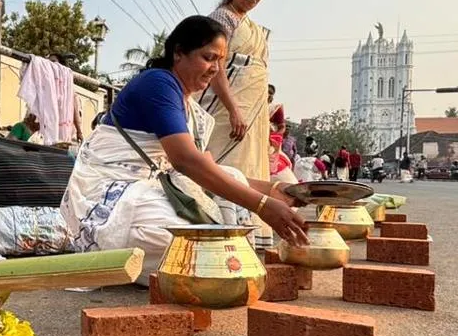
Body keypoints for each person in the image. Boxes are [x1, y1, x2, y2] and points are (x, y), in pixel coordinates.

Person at [60, 16, 308, 283]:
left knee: (231, 180)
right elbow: (186, 162)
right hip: (109, 193)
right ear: (178, 53)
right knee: (185, 244)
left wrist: (274, 190)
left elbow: (207, 169)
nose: (215, 68)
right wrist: (262, 206)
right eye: (209, 57)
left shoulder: (188, 104)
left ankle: (213, 263)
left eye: (220, 61)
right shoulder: (158, 83)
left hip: (149, 188)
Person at [197, 0, 275, 249]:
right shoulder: (222, 19)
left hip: (253, 117)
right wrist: (233, 110)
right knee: (220, 169)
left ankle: (248, 236)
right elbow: (214, 67)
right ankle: (216, 235)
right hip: (224, 113)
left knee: (249, 170)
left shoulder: (255, 29)